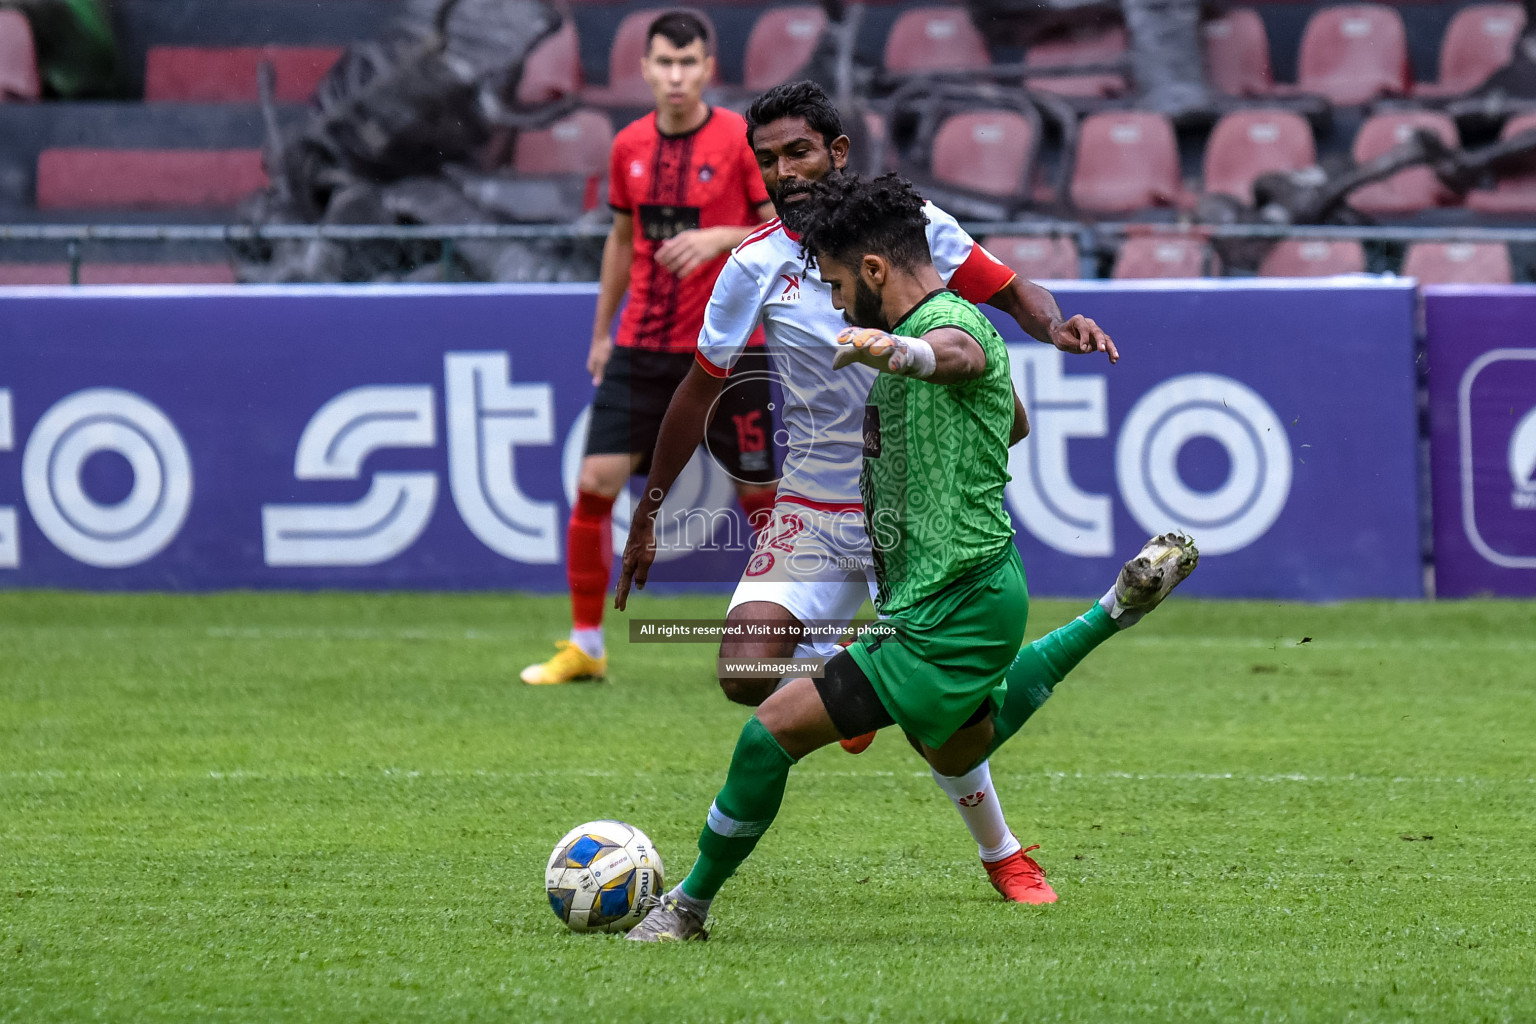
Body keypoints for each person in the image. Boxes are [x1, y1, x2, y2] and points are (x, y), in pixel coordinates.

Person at [626, 173, 1199, 941]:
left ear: (871, 273)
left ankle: (685, 910)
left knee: (770, 735)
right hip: (962, 594)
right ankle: (1111, 611)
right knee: (963, 736)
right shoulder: (936, 322)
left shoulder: (946, 324)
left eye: (834, 286)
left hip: (946, 609)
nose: (830, 304)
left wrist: (899, 353)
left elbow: (957, 356)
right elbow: (1008, 413)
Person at [521, 11, 780, 686]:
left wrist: (719, 237)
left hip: (726, 351)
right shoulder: (627, 146)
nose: (675, 76)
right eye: (664, 63)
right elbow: (618, 242)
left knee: (764, 499)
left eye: (688, 63)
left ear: (707, 67)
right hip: (640, 346)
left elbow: (777, 226)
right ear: (644, 68)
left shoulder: (736, 140)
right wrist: (602, 331)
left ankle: (801, 645)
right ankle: (585, 645)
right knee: (594, 484)